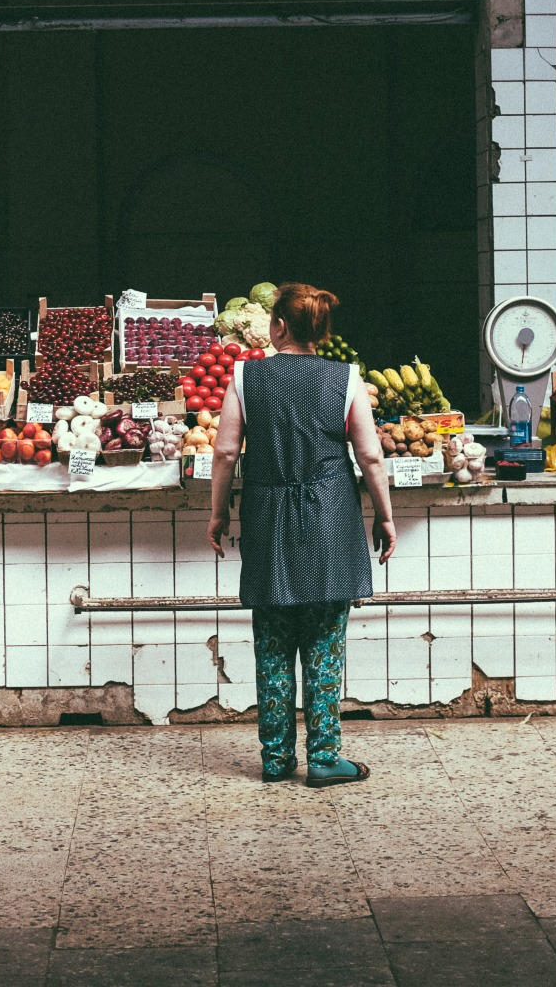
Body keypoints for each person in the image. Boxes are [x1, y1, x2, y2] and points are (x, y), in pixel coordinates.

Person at [207, 283, 396, 787]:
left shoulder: (247, 376)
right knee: (323, 645)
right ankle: (325, 757)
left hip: (269, 519)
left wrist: (218, 513)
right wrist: (385, 515)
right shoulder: (345, 378)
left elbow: (225, 452)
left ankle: (275, 758)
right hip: (331, 521)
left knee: (272, 644)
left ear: (280, 326)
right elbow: (370, 456)